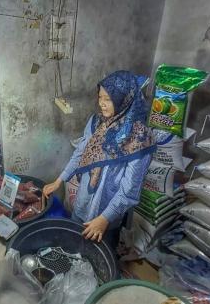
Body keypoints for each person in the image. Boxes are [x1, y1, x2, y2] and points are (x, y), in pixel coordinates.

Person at [43, 71, 155, 243]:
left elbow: (130, 190)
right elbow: (80, 153)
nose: (102, 104)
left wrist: (105, 219)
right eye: (100, 97)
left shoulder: (139, 138)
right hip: (83, 202)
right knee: (74, 246)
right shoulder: (97, 122)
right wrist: (59, 180)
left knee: (101, 257)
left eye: (108, 99)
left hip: (107, 215)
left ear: (124, 100)